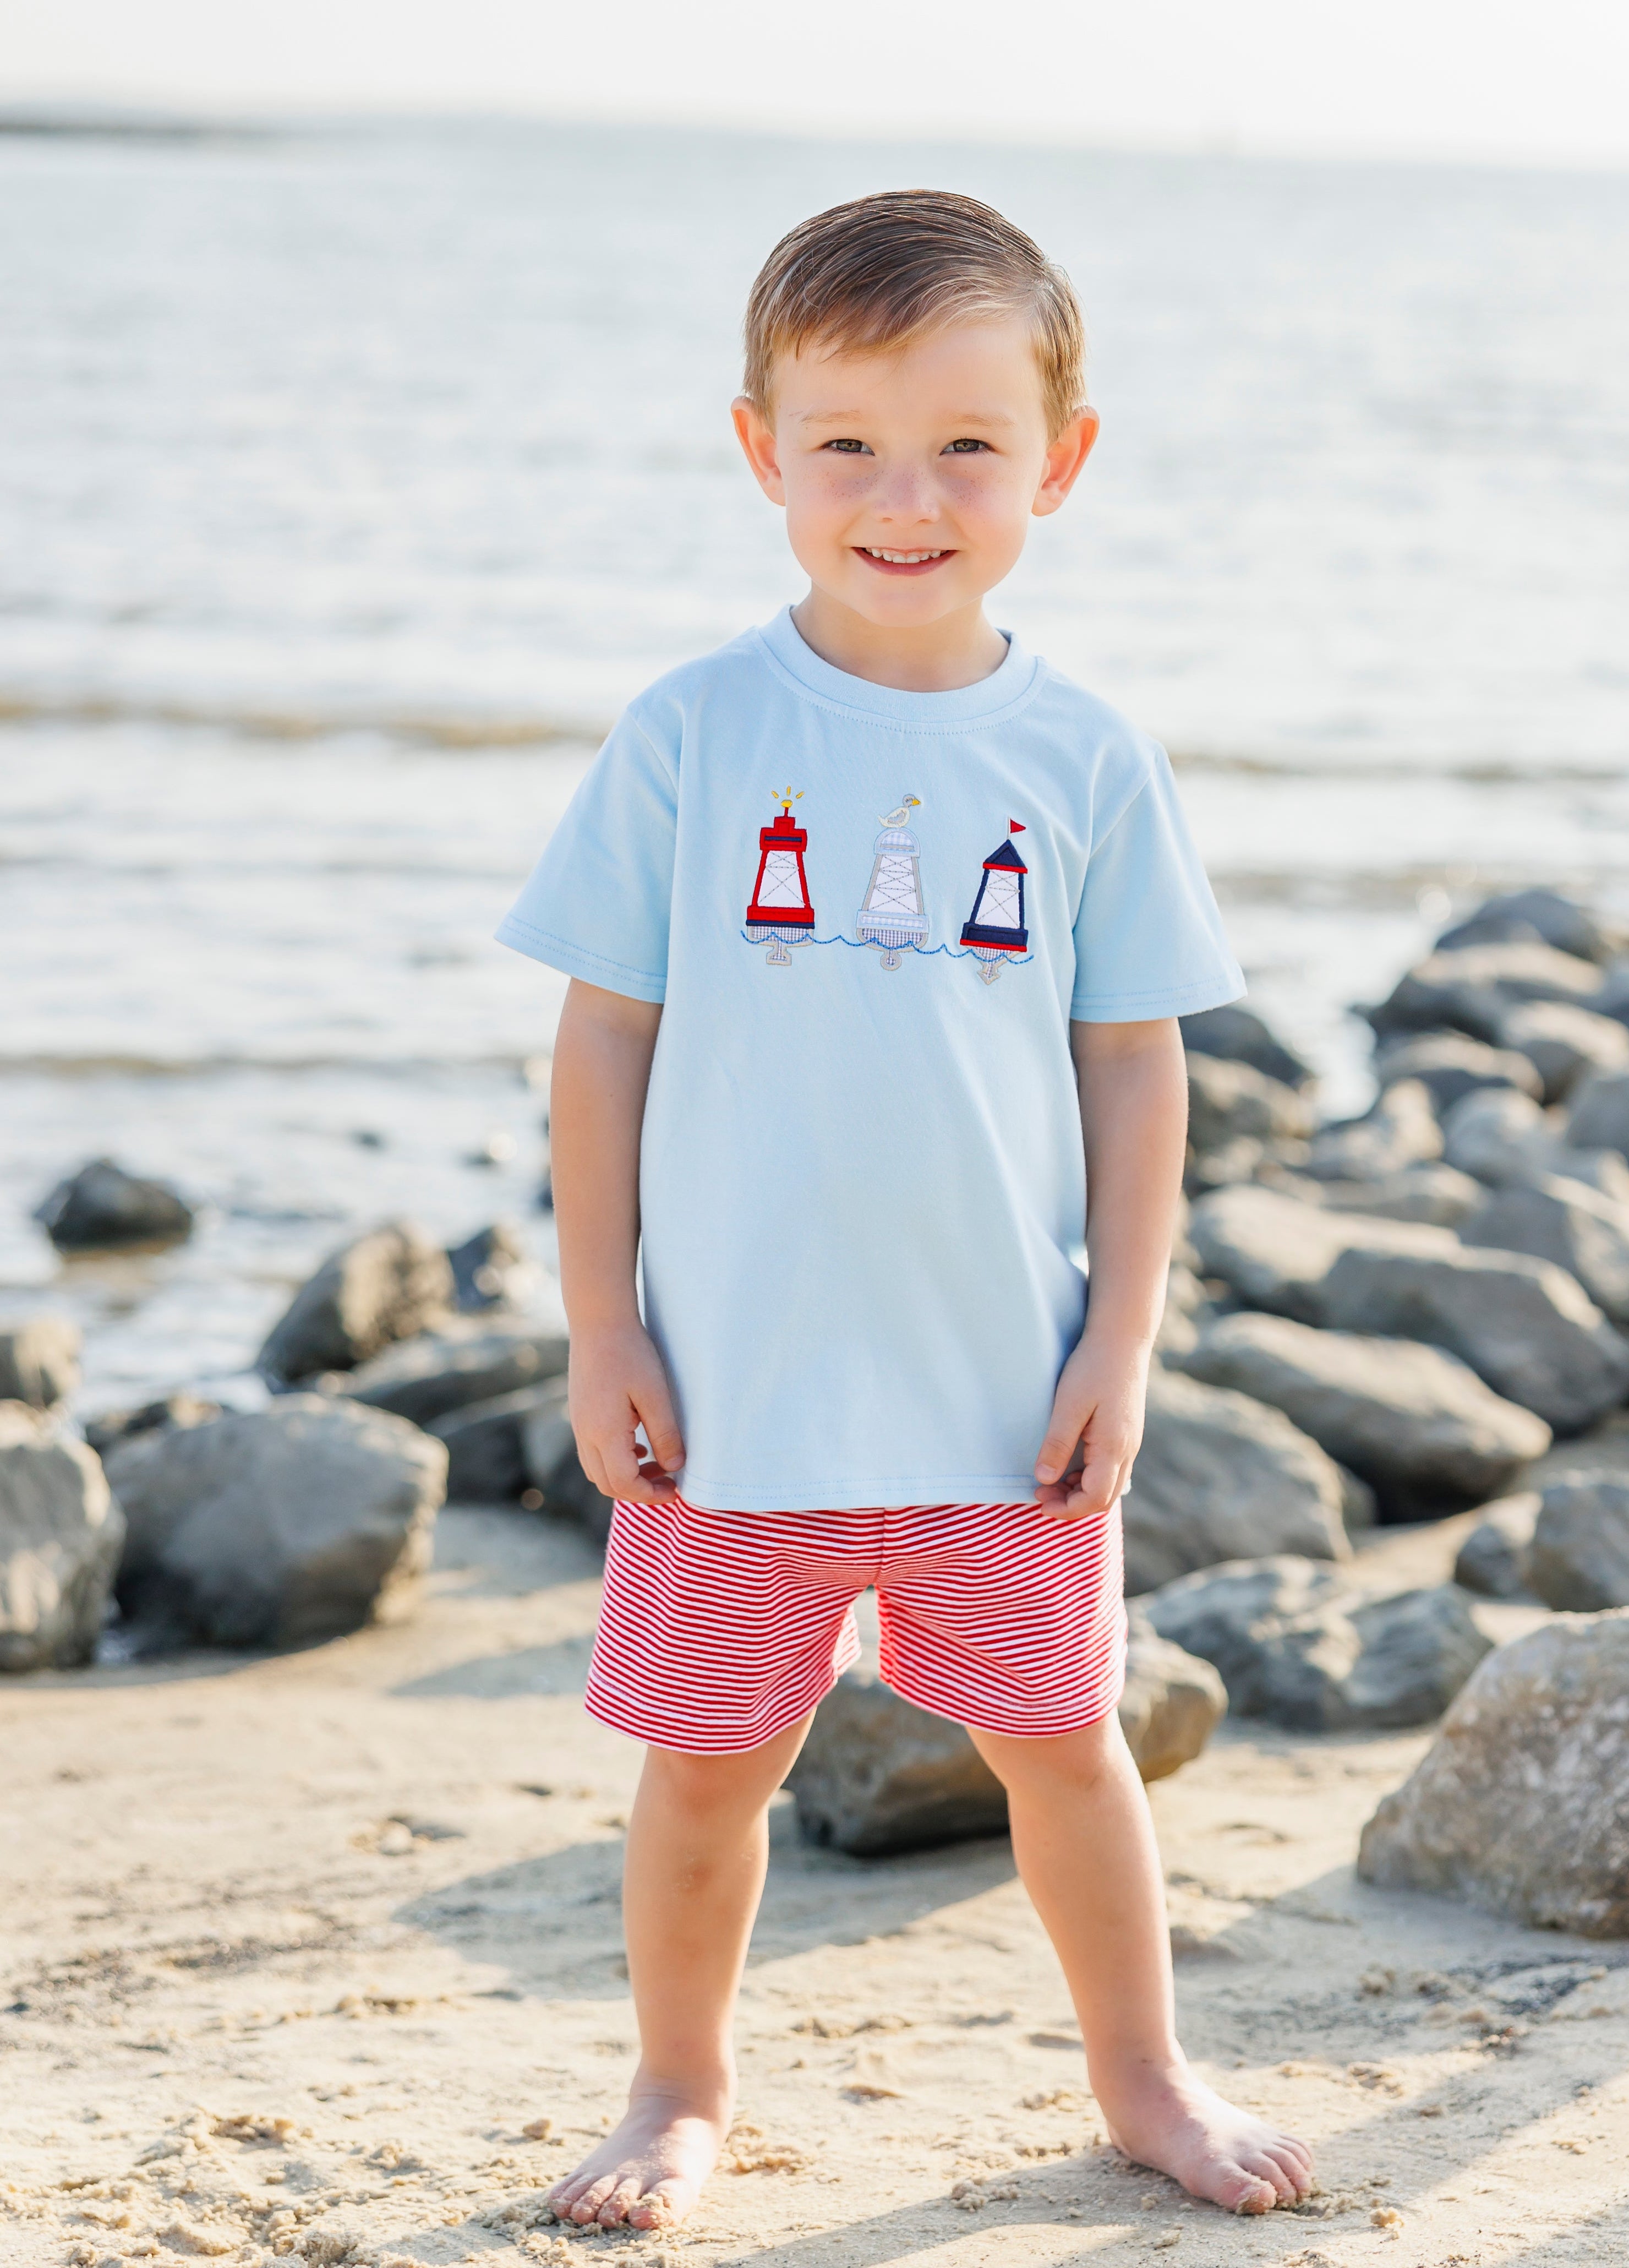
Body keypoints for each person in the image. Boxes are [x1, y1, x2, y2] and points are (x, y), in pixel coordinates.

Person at [496, 189, 1315, 2233]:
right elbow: (603, 1041)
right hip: (734, 1394)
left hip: (999, 1393)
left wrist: (1121, 1338)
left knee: (1064, 1748)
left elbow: (1135, 1066)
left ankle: (1144, 2074)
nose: (906, 496)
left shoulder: (1085, 757)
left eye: (967, 445)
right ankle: (677, 2086)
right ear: (762, 450)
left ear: (1062, 459)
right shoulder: (696, 735)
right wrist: (602, 1322)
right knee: (708, 1768)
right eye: (847, 443)